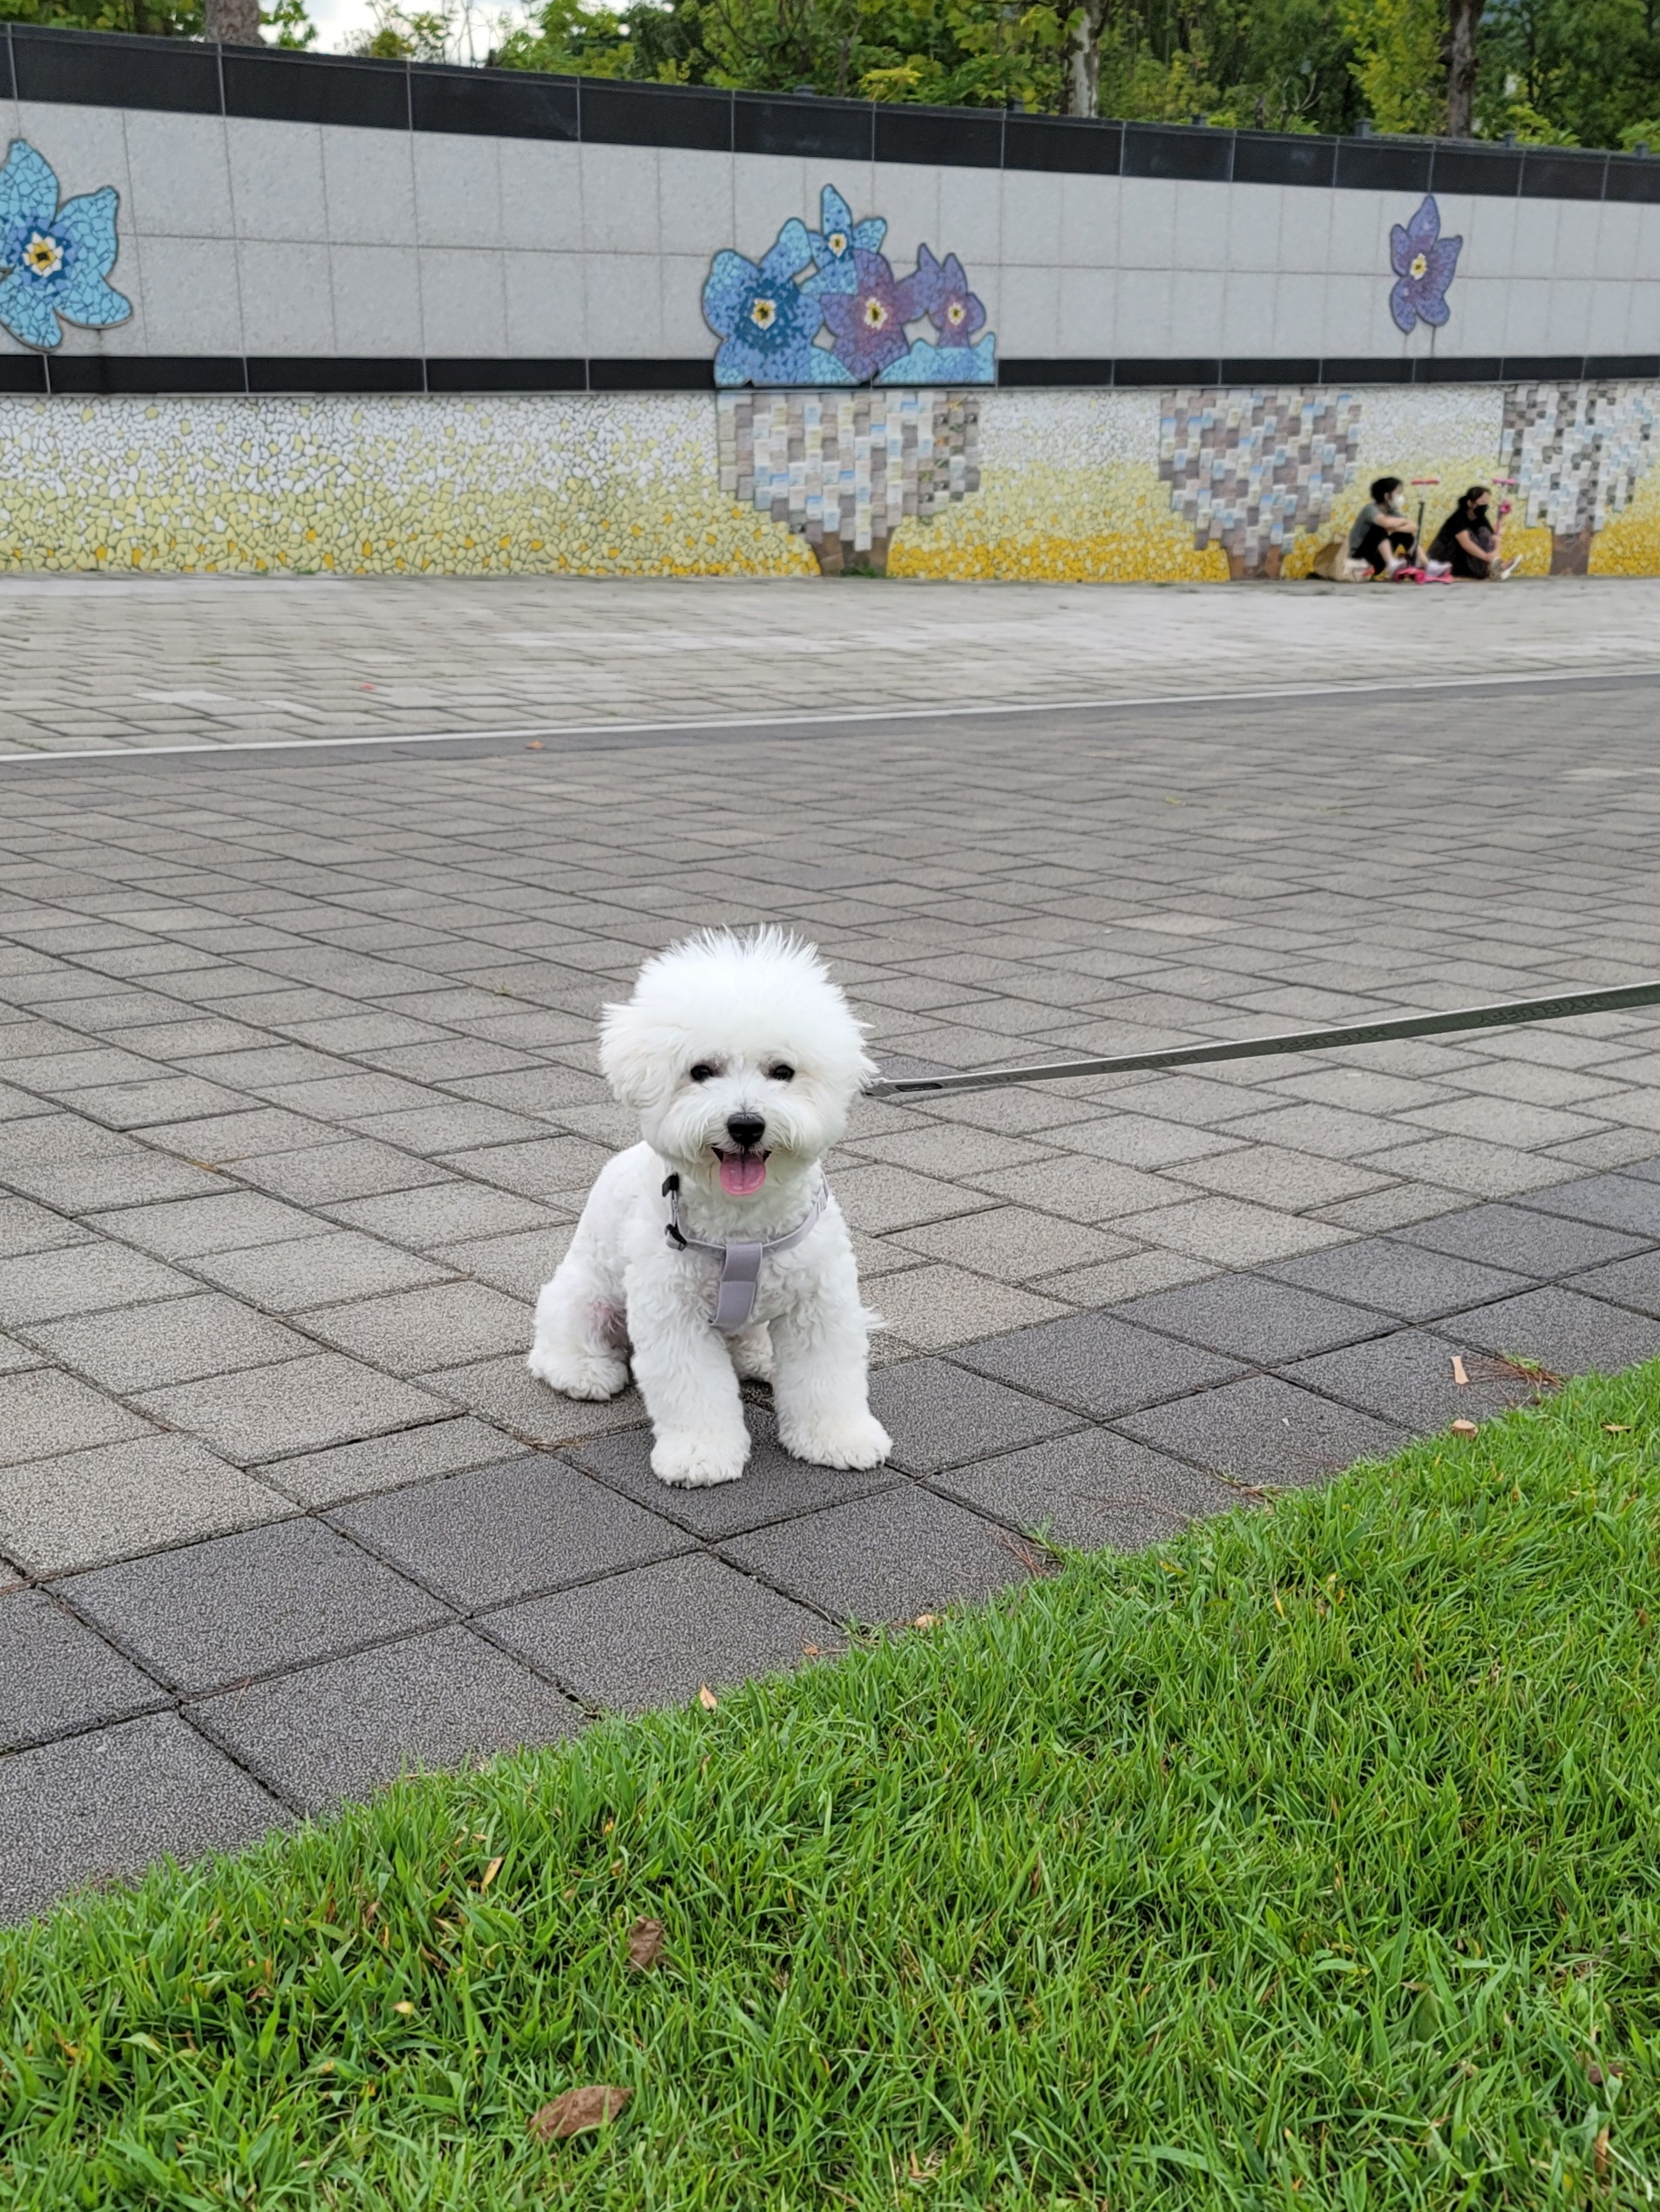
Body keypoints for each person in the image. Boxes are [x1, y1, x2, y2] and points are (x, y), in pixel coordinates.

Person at [1429, 485, 1506, 579]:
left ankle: (1494, 567)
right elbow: (1466, 544)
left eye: (1486, 503)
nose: (1484, 506)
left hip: (1472, 558)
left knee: (1484, 532)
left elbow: (1495, 538)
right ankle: (1491, 568)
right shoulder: (1457, 518)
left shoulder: (1481, 518)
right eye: (1482, 502)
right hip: (1446, 556)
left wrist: (1495, 554)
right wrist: (1487, 557)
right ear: (1470, 503)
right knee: (1469, 535)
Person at [1347, 476, 1417, 576]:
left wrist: (1396, 528)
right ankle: (1392, 563)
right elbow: (1385, 523)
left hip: (1376, 564)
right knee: (1379, 528)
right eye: (1398, 493)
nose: (1401, 497)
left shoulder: (1392, 512)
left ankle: (1426, 565)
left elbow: (1414, 527)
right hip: (1358, 561)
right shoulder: (1370, 509)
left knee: (1402, 533)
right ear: (1387, 497)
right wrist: (1401, 523)